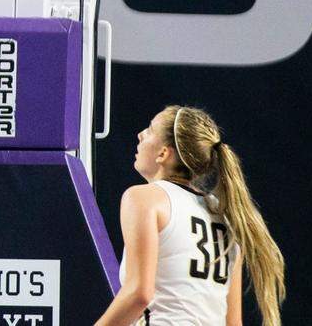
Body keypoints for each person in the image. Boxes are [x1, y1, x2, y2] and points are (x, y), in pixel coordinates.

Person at [95, 106, 286, 326]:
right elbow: (233, 322)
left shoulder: (144, 198)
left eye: (149, 129)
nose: (140, 135)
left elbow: (139, 294)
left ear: (163, 153)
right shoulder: (227, 215)